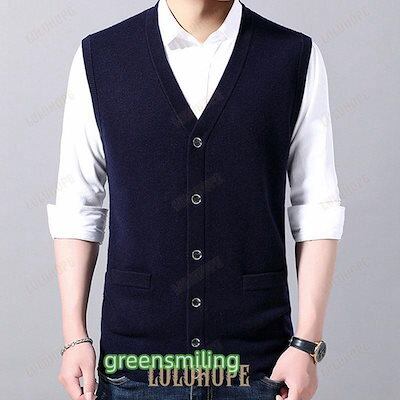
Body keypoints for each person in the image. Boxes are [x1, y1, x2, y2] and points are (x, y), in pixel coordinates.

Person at [48, 0, 345, 399]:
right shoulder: (101, 57)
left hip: (257, 365)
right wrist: (75, 337)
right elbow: (77, 205)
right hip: (135, 368)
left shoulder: (292, 57)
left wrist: (306, 344)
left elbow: (317, 208)